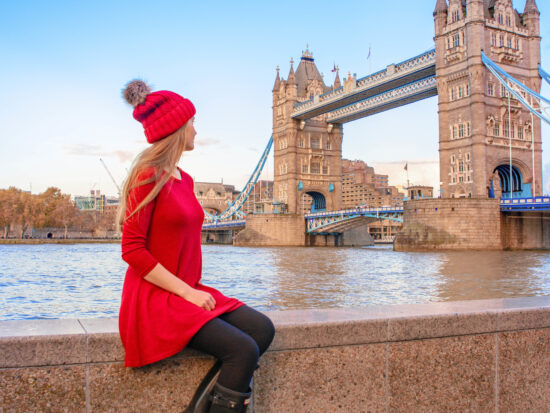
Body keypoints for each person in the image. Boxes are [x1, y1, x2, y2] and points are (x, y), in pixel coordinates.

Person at [117, 80, 275, 413]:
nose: (196, 130)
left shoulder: (184, 179)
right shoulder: (146, 176)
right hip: (155, 299)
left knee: (262, 330)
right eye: (192, 123)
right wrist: (187, 294)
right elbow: (132, 250)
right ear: (176, 127)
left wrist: (191, 291)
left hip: (187, 291)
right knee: (243, 350)